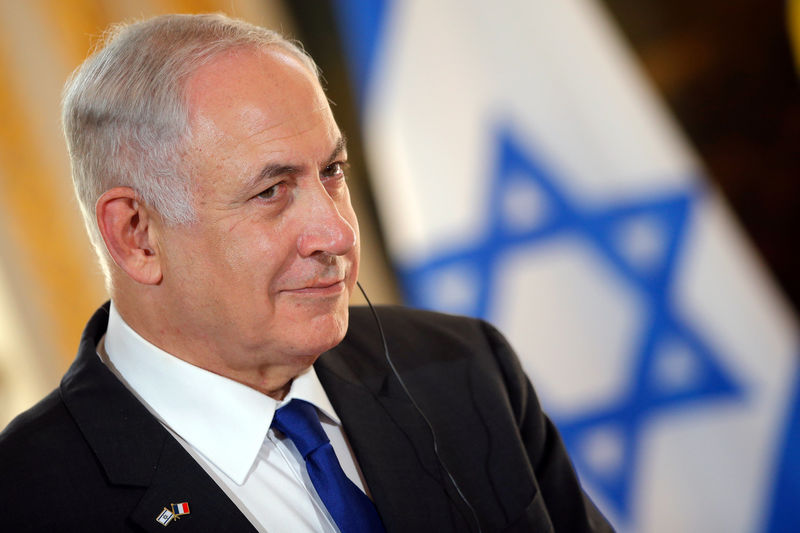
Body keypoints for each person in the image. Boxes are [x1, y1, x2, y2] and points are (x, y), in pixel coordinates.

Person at [0, 13, 612, 533]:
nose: (339, 235)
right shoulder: (28, 501)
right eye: (271, 190)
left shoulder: (464, 367)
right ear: (136, 234)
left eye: (333, 171)